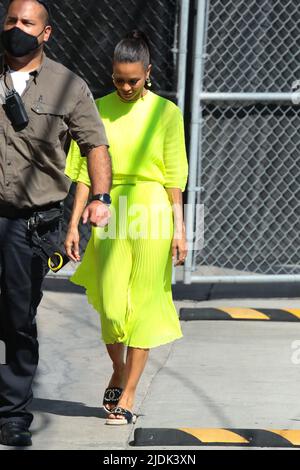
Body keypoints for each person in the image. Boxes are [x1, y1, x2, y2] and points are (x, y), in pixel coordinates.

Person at [0, 0, 112, 446]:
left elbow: (95, 145)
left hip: (30, 224)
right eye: (11, 20)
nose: (17, 29)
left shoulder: (68, 85)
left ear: (46, 33)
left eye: (28, 23)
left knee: (17, 321)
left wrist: (100, 197)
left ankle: (12, 415)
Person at [65, 30, 188, 425]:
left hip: (152, 210)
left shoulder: (166, 113)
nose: (126, 86)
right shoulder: (96, 109)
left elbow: (174, 177)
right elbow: (83, 173)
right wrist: (73, 225)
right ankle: (118, 367)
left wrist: (180, 228)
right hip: (109, 209)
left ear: (148, 72)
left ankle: (130, 390)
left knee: (146, 303)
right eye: (119, 78)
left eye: (133, 79)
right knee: (114, 304)